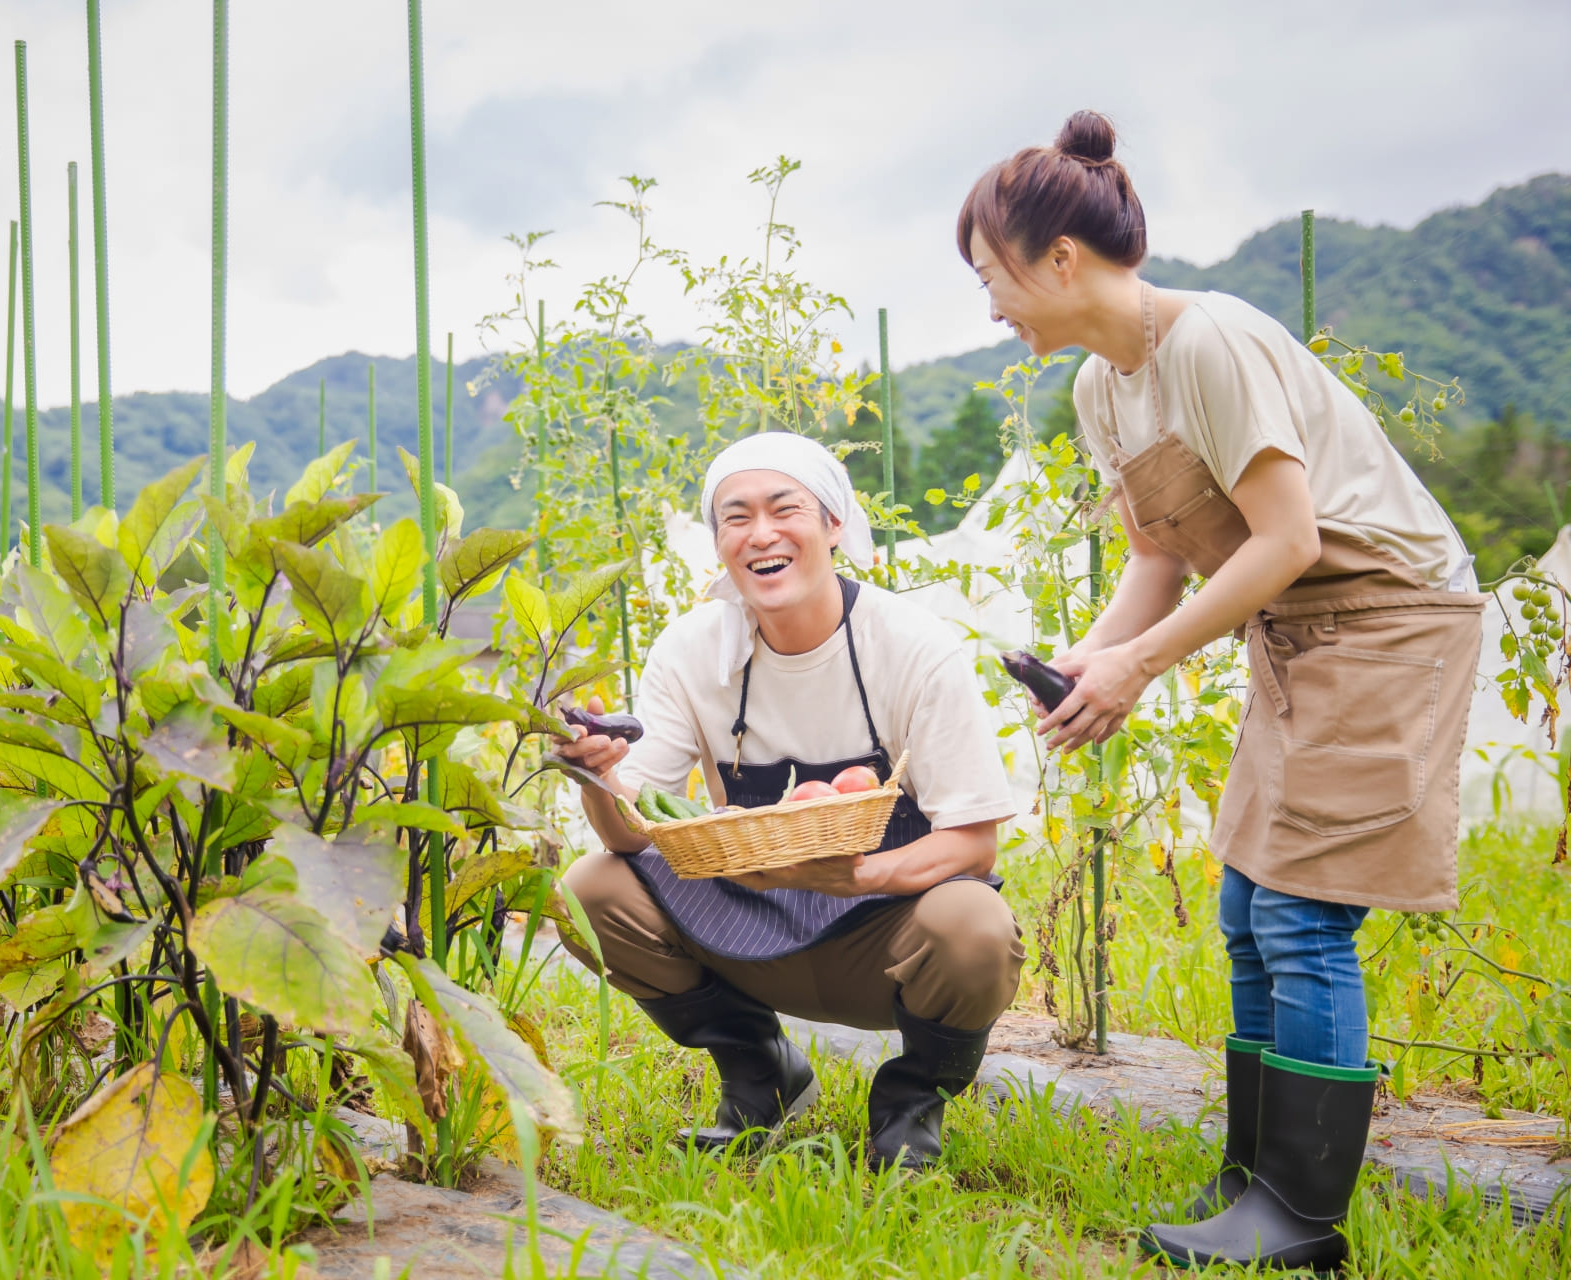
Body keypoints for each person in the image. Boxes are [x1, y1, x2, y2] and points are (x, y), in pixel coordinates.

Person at [958, 111, 1485, 1270]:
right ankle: (1252, 1175)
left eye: (994, 274)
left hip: (1388, 620)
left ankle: (1301, 1215)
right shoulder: (1106, 386)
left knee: (1302, 911)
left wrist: (1143, 666)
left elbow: (1287, 534)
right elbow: (1158, 556)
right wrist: (1093, 664)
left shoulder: (1213, 342)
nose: (990, 304)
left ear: (1060, 257)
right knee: (1249, 906)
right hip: (1298, 632)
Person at [552, 431, 1025, 1172]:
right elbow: (632, 838)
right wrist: (598, 776)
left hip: (882, 936)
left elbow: (973, 846)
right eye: (735, 517)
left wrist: (859, 875)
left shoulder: (912, 646)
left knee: (975, 923)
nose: (761, 534)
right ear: (718, 544)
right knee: (591, 888)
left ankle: (910, 1103)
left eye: (784, 509)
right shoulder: (691, 649)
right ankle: (760, 1074)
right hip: (746, 918)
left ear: (834, 524)